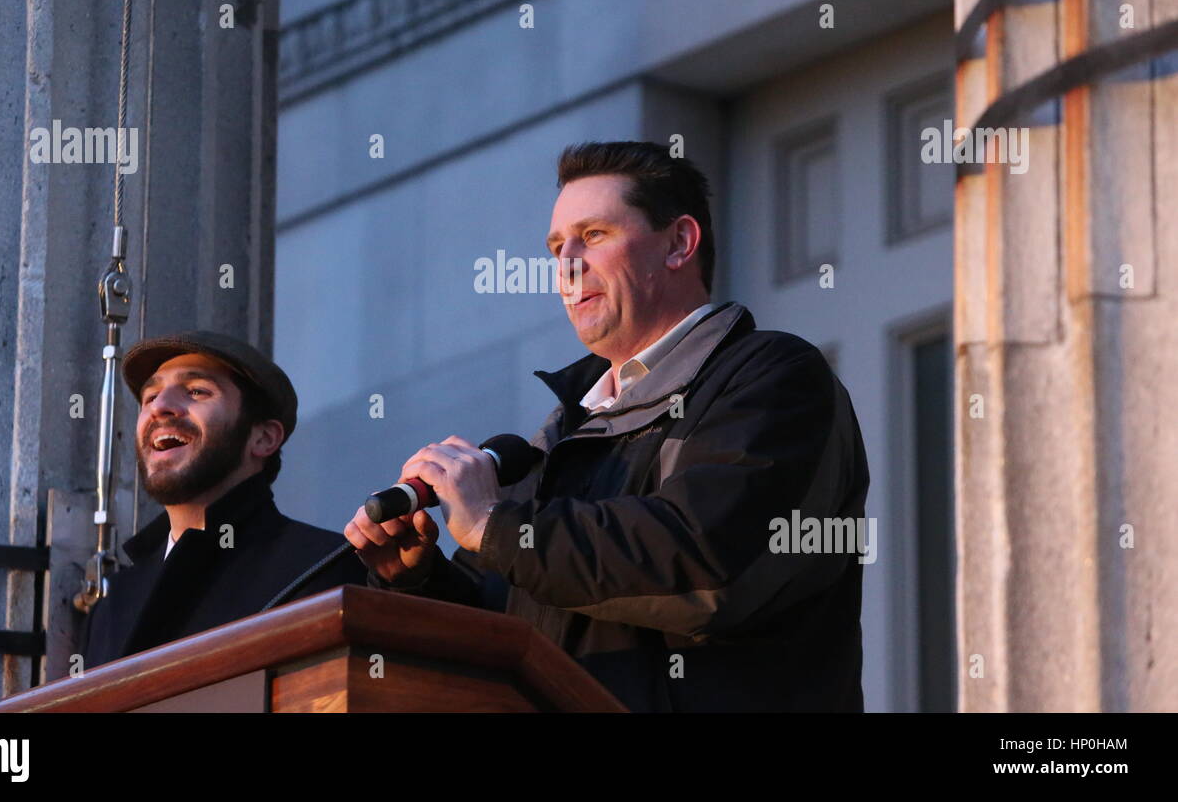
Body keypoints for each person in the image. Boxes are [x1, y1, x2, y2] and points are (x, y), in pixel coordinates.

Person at [345, 141, 871, 711]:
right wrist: (418, 581)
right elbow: (508, 636)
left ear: (679, 243)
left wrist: (497, 527)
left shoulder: (772, 377)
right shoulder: (558, 441)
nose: (567, 264)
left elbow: (711, 562)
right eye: (555, 247)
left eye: (593, 236)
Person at [82, 330, 365, 668]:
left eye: (196, 391)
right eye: (150, 396)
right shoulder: (113, 602)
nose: (160, 407)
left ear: (263, 438)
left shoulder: (323, 567)